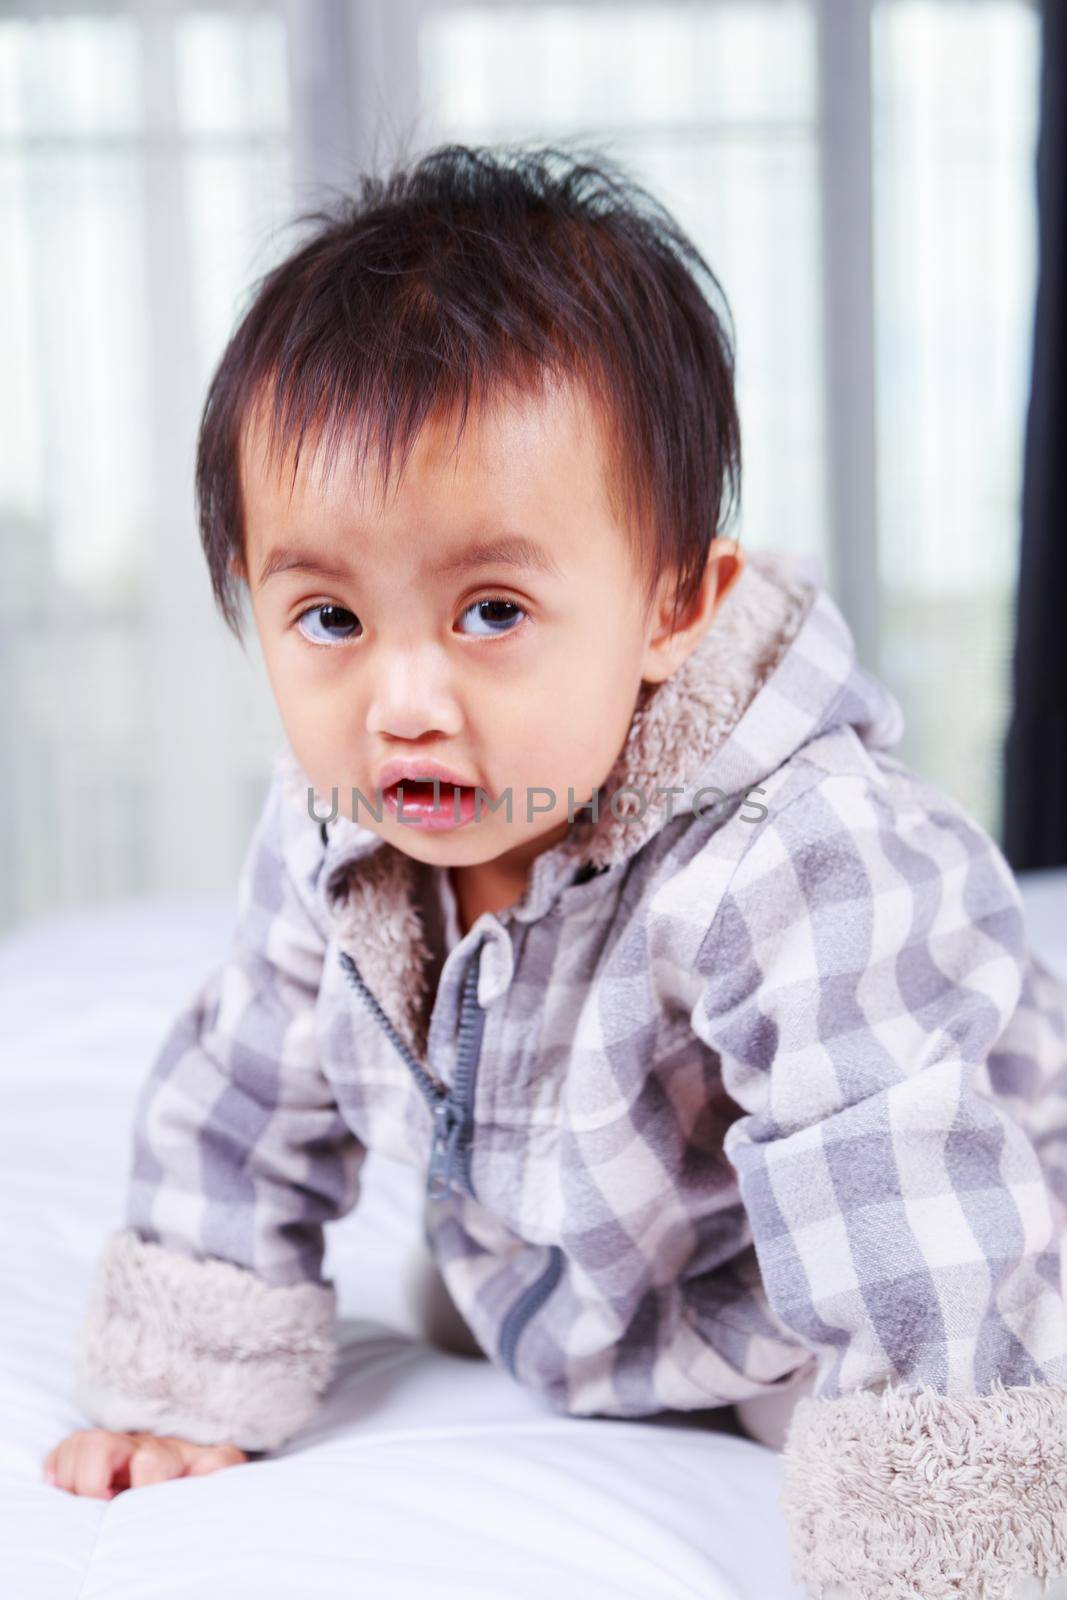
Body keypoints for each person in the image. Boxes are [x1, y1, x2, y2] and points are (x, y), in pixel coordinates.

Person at [44, 141, 1067, 1600]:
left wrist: (943, 1518)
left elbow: (896, 1178)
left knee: (897, 1410)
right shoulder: (340, 832)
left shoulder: (802, 860)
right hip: (585, 1268)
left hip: (893, 1252)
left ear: (672, 605)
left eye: (493, 609)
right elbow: (249, 1100)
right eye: (329, 617)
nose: (403, 698)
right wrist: (188, 1375)